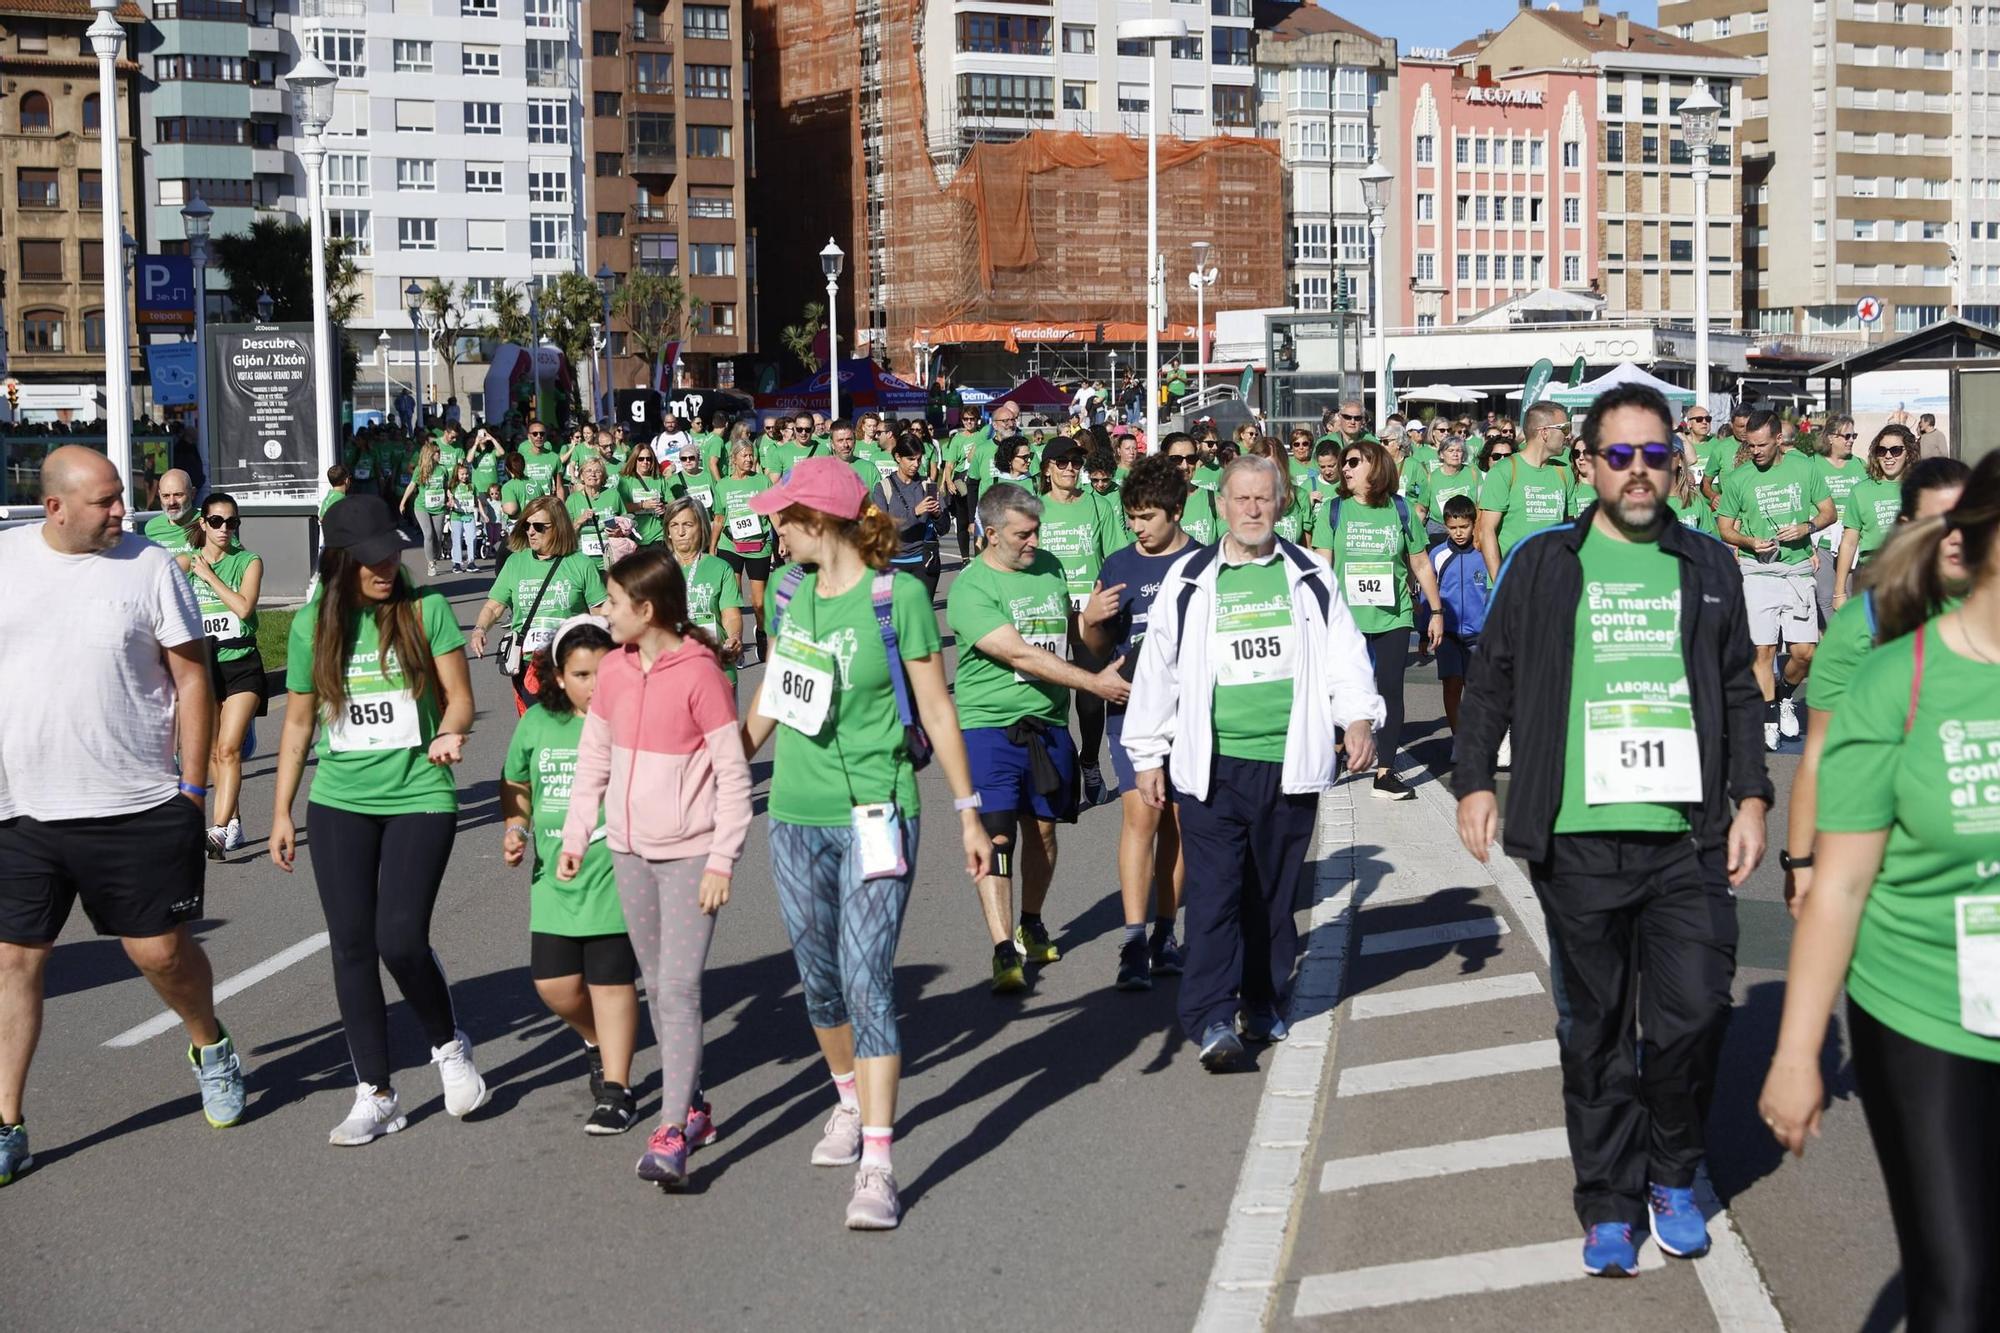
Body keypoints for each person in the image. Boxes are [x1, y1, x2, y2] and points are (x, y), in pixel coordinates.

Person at [1452, 384, 1773, 1278]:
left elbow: (1741, 694)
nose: (1640, 471)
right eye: (1621, 455)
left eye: (1655, 455)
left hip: (1687, 837)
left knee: (1696, 1011)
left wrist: (1752, 798)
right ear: (1587, 464)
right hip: (1579, 837)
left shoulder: (1708, 564)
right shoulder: (1545, 562)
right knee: (1593, 1027)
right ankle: (1607, 1198)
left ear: (1676, 462)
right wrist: (1474, 780)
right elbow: (1493, 678)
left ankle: (1673, 1171)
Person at [1760, 453, 2000, 1332]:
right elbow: (1843, 882)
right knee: (1961, 1287)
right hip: (1926, 1006)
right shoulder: (1896, 682)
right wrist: (1796, 1053)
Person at [742, 458, 993, 1229]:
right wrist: (721, 769)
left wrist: (968, 810)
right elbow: (777, 691)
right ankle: (848, 1100)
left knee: (866, 974)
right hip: (794, 811)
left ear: (820, 520)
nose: (772, 529)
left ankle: (879, 1164)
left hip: (879, 810)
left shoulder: (898, 597)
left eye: (784, 517)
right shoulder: (786, 593)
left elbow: (938, 710)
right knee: (819, 977)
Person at [0, 448, 248, 1183]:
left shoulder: (150, 568)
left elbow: (192, 675)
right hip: (22, 808)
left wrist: (194, 789)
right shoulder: (7, 561)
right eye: (107, 501)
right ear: (55, 507)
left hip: (133, 804)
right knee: (14, 962)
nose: (124, 512)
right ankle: (7, 1120)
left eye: (123, 498)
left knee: (159, 954)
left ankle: (210, 1043)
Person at [1123, 455, 1384, 1070]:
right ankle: (1213, 1017)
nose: (1252, 510)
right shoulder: (1189, 582)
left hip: (1288, 764)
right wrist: (1147, 755)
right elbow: (1157, 672)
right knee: (1214, 894)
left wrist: (1358, 717)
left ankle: (1263, 1000)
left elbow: (1346, 654)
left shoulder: (1311, 575)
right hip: (1211, 767)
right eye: (1241, 500)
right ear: (1220, 506)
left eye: (1263, 499)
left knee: (1270, 894)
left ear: (1282, 502)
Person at [269, 494, 487, 1145]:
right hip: (339, 799)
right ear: (339, 561)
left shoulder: (425, 609)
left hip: (420, 790)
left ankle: (448, 1045)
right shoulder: (313, 626)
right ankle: (377, 1092)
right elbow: (299, 723)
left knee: (399, 938)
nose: (386, 564)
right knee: (352, 944)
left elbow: (461, 700)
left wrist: (450, 733)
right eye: (370, 557)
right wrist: (279, 809)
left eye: (391, 550)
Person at [563, 553, 752, 1186]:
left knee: (677, 988)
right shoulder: (614, 670)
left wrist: (722, 859)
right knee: (658, 982)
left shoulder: (702, 675)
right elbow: (594, 756)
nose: (604, 612)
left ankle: (671, 1132)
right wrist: (576, 832)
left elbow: (733, 775)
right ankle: (693, 1105)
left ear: (646, 611)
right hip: (628, 850)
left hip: (693, 853)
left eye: (613, 602)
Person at [947, 482, 1130, 992]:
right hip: (990, 727)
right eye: (1023, 535)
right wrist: (1094, 683)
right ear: (989, 534)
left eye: (1037, 531)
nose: (1034, 542)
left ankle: (1031, 920)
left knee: (1043, 832)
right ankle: (1004, 948)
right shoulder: (972, 587)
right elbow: (1021, 653)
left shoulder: (1049, 567)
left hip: (1048, 724)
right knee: (999, 835)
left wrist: (1091, 623)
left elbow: (1072, 634)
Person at [1780, 456, 1969, 921]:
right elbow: (1819, 756)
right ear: (1906, 527)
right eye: (1937, 524)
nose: (1955, 537)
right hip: (1889, 861)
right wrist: (1800, 861)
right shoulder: (1861, 623)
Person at [501, 616, 643, 1135]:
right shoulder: (538, 723)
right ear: (558, 677)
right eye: (581, 675)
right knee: (555, 986)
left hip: (616, 869)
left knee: (610, 981)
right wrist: (516, 825)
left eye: (602, 673)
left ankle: (617, 1088)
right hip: (554, 872)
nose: (593, 685)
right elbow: (516, 780)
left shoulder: (632, 718)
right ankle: (598, 1042)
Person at [1080, 454, 1191, 990]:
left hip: (1192, 714)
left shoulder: (1205, 563)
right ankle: (1132, 939)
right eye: (1131, 517)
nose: (1137, 528)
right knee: (1141, 816)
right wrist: (1091, 623)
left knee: (1177, 822)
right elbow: (1099, 648)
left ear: (1177, 509)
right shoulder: (1120, 565)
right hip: (1132, 712)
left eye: (1147, 517)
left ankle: (1165, 933)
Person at [1310, 438, 1445, 799]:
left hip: (1394, 615)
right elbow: (1323, 566)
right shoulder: (1334, 510)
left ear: (1376, 466)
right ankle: (1338, 751)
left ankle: (1384, 772)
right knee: (1340, 688)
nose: (1346, 468)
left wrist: (1435, 611)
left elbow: (1420, 563)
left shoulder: (1401, 510)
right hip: (1345, 619)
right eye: (1344, 462)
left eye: (1354, 461)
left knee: (1389, 690)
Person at [1717, 409, 1838, 750]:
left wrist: (1807, 527)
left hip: (1797, 571)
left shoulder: (1804, 468)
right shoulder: (1739, 479)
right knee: (1763, 650)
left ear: (1778, 441)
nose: (1754, 451)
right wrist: (1749, 542)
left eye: (1761, 445)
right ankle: (1769, 715)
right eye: (1750, 445)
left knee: (1804, 653)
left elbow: (1829, 512)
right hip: (1757, 573)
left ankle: (1785, 697)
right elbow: (1725, 528)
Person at [1037, 437, 1129, 808]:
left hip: (1091, 614)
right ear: (1047, 469)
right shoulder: (1035, 509)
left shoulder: (1098, 503)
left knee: (1090, 697)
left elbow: (1118, 554)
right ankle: (1056, 769)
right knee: (1048, 695)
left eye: (1077, 462)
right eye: (1062, 463)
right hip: (1047, 612)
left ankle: (1089, 762)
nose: (1071, 468)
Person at [178, 493, 265, 860]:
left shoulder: (249, 561)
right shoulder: (187, 562)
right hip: (203, 665)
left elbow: (244, 608)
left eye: (231, 522)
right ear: (203, 523)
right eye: (217, 521)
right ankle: (232, 821)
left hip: (241, 663)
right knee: (214, 750)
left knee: (230, 747)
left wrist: (209, 577)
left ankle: (215, 830)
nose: (224, 529)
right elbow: (153, 583)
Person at [469, 497, 608, 714]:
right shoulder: (516, 563)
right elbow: (494, 606)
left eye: (539, 526)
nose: (531, 531)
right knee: (538, 726)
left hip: (570, 663)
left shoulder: (582, 564)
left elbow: (600, 615)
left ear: (559, 527)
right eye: (526, 525)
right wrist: (479, 629)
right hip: (528, 664)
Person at [1477, 401, 1573, 580]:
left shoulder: (1563, 471)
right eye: (1565, 428)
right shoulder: (1504, 471)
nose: (1568, 435)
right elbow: (1486, 531)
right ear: (1544, 432)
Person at [1834, 424, 1918, 610]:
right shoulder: (1860, 491)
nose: (1888, 456)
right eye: (1882, 450)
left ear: (1909, 453)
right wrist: (1839, 592)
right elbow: (1848, 543)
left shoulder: (1920, 489)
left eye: (1895, 450)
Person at [1426, 494, 1489, 735]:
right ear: (1445, 526)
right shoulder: (1438, 554)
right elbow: (1428, 593)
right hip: (1448, 633)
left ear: (1474, 524)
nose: (1459, 532)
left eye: (1464, 526)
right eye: (1453, 528)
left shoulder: (1484, 552)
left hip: (1480, 633)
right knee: (1452, 686)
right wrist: (1424, 631)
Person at [665, 498, 745, 686]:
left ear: (701, 527)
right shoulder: (657, 569)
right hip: (673, 672)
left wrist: (734, 637)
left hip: (717, 669)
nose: (681, 532)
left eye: (688, 524)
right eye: (674, 525)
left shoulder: (720, 568)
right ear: (668, 531)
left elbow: (731, 616)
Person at [713, 440, 775, 662]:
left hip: (758, 546)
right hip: (730, 545)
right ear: (734, 458)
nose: (749, 459)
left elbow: (772, 512)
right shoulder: (723, 486)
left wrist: (782, 538)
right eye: (745, 456)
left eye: (751, 456)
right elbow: (718, 519)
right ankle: (734, 643)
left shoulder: (762, 481)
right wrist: (712, 550)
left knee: (758, 602)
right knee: (732, 599)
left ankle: (761, 632)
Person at [875, 436, 943, 600]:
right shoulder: (883, 488)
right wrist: (915, 512)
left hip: (925, 561)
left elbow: (943, 528)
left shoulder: (928, 485)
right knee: (896, 618)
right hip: (894, 562)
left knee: (922, 616)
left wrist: (938, 515)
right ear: (898, 457)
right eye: (910, 459)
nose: (916, 464)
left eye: (919, 459)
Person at [398, 439, 451, 577]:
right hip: (422, 507)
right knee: (428, 535)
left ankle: (437, 554)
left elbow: (447, 487)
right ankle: (431, 563)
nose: (439, 455)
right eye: (437, 453)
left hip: (438, 508)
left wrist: (450, 497)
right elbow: (411, 486)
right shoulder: (419, 470)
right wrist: (403, 502)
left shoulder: (443, 469)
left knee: (437, 537)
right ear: (430, 454)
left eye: (439, 452)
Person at [1161, 432, 1219, 544]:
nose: (1185, 466)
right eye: (1176, 459)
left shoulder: (1214, 499)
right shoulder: (1152, 501)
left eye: (1191, 459)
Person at [619, 443, 678, 547]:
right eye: (641, 459)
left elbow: (673, 503)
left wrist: (664, 508)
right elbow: (621, 507)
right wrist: (643, 505)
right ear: (634, 460)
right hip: (635, 535)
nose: (645, 462)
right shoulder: (626, 480)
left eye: (649, 459)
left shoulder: (659, 479)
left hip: (658, 534)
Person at [145, 467, 198, 550]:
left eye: (178, 495)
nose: (171, 502)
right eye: (166, 496)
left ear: (192, 494)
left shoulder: (209, 525)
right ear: (159, 495)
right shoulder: (152, 528)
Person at [444, 461, 479, 574]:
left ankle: (471, 562)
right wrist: (450, 502)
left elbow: (476, 500)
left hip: (469, 515)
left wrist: (482, 513)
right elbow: (449, 499)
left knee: (472, 537)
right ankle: (457, 563)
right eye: (462, 474)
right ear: (457, 474)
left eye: (466, 474)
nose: (465, 476)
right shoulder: (453, 486)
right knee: (457, 539)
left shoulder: (472, 486)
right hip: (456, 515)